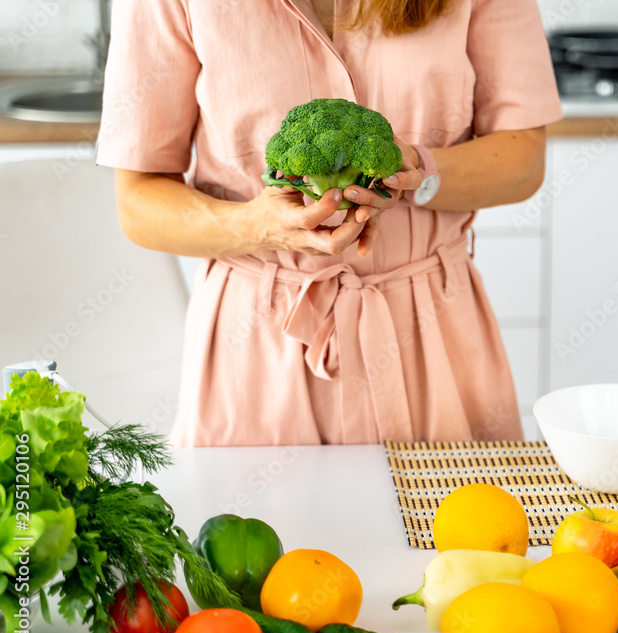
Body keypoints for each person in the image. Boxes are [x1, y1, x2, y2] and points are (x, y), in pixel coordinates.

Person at [96, 0, 562, 446]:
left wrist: (417, 170)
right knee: (252, 525)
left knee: (462, 524)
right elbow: (139, 202)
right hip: (255, 346)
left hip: (432, 331)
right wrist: (257, 224)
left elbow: (522, 158)